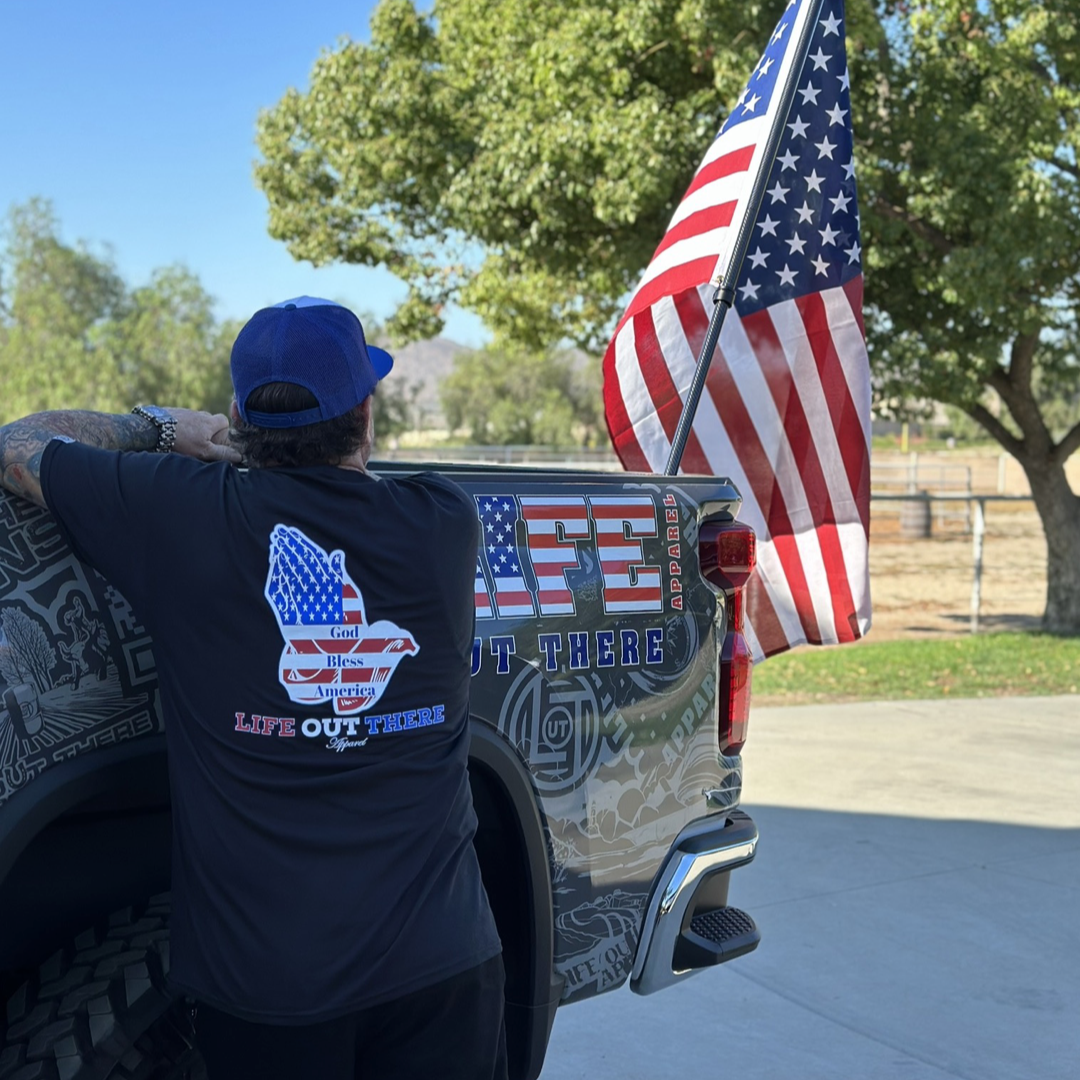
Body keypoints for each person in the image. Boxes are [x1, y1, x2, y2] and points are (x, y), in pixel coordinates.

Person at [0, 297, 506, 1080]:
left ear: (236, 415)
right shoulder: (444, 521)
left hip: (270, 992)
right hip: (444, 970)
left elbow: (17, 446)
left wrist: (163, 430)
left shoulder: (177, 513)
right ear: (366, 414)